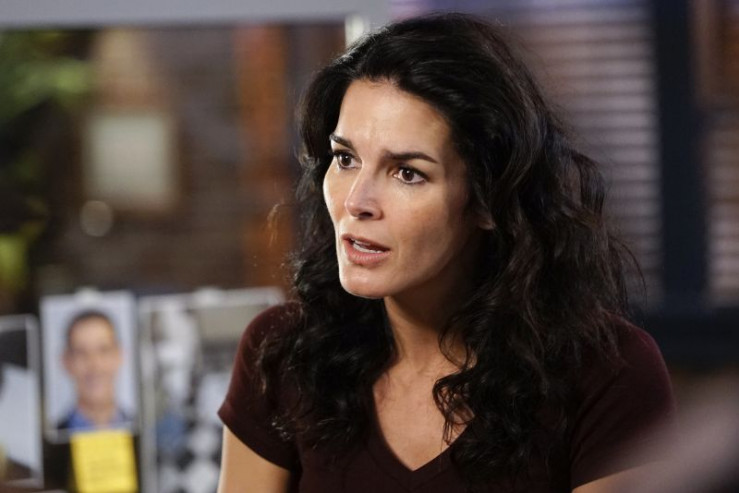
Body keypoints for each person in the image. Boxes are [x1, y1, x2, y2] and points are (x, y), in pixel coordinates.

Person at [218, 13, 675, 492]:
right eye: (346, 159)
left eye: (407, 173)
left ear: (487, 200)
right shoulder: (282, 353)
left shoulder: (610, 373)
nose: (356, 202)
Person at [57, 310, 129, 431]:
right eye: (81, 353)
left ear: (119, 355)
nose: (95, 365)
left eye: (104, 350)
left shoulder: (147, 431)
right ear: (66, 361)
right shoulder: (50, 436)